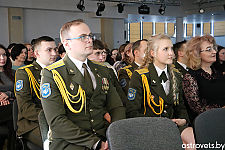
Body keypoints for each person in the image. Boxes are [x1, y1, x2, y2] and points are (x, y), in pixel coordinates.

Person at [40, 19, 126, 150]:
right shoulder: (52, 74)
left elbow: (116, 107)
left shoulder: (102, 70)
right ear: (67, 44)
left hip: (104, 136)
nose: (89, 40)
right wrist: (95, 143)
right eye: (82, 37)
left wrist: (115, 135)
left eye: (90, 36)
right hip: (70, 142)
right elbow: (57, 120)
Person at [126, 34, 195, 150]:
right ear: (152, 53)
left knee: (193, 140)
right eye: (165, 49)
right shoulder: (140, 76)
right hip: (150, 128)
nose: (171, 53)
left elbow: (180, 106)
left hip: (173, 125)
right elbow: (132, 112)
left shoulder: (177, 75)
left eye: (171, 48)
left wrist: (183, 119)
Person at [15, 36, 57, 148]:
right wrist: (52, 117)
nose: (54, 53)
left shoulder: (59, 72)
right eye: (49, 50)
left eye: (55, 49)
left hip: (58, 120)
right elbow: (25, 107)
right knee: (57, 143)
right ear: (37, 54)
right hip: (34, 123)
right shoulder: (25, 73)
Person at [183, 35, 225, 123]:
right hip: (205, 121)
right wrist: (221, 111)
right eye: (209, 49)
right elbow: (197, 107)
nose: (214, 52)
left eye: (214, 48)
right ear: (197, 54)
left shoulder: (219, 73)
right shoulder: (190, 76)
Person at [0, 44, 16, 150]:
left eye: (4, 55)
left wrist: (8, 95)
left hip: (10, 104)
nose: (2, 58)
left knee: (14, 113)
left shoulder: (13, 73)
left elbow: (19, 91)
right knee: (14, 111)